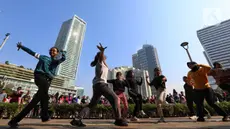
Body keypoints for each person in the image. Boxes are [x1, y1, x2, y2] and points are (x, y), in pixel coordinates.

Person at [8, 42, 66, 128]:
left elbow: (63, 59)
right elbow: (31, 52)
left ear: (57, 53)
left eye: (54, 51)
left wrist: (63, 53)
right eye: (51, 51)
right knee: (36, 100)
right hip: (40, 77)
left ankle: (44, 117)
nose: (52, 52)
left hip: (47, 81)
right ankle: (15, 121)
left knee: (44, 97)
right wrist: (22, 47)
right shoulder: (43, 57)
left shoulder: (55, 62)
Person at [70, 43, 128, 127]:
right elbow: (101, 58)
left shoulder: (102, 64)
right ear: (101, 56)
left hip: (97, 86)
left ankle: (78, 119)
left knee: (91, 105)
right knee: (115, 98)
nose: (105, 57)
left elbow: (104, 68)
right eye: (104, 56)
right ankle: (118, 119)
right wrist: (102, 51)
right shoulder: (99, 62)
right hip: (101, 85)